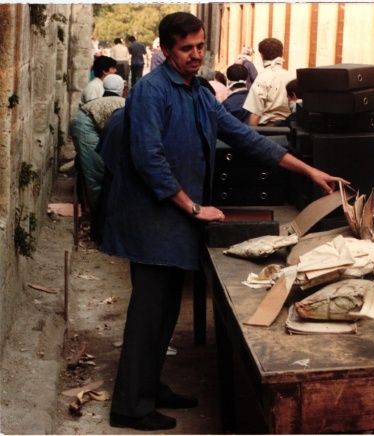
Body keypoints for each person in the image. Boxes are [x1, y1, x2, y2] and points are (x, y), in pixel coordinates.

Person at [101, 12, 348, 431]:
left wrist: (309, 171)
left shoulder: (197, 93)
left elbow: (246, 137)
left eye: (200, 47)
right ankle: (130, 406)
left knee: (163, 314)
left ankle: (150, 386)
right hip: (151, 224)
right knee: (148, 314)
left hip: (175, 221)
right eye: (186, 49)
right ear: (165, 50)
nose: (196, 55)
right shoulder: (150, 92)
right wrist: (194, 208)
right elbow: (149, 160)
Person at [70, 74, 126, 213]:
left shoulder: (115, 101)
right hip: (84, 125)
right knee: (96, 173)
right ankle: (98, 214)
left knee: (101, 167)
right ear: (123, 89)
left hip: (87, 121)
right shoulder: (123, 104)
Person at [243, 37, 295, 126]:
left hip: (267, 129)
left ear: (261, 55)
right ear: (281, 54)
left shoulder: (262, 78)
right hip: (289, 127)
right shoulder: (292, 77)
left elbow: (255, 113)